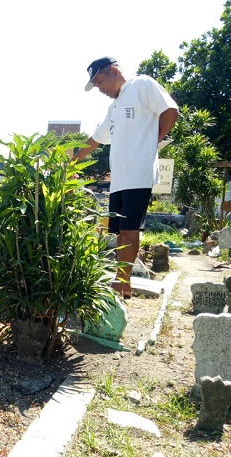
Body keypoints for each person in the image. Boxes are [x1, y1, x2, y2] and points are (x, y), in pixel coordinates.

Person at [72, 56, 179, 299]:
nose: (100, 89)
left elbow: (170, 111)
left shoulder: (142, 85)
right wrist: (72, 162)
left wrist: (152, 143)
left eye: (100, 81)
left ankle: (121, 282)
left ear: (114, 70)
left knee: (130, 230)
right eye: (96, 85)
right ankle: (125, 285)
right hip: (119, 178)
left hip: (138, 174)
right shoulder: (114, 107)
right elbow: (96, 139)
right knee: (120, 232)